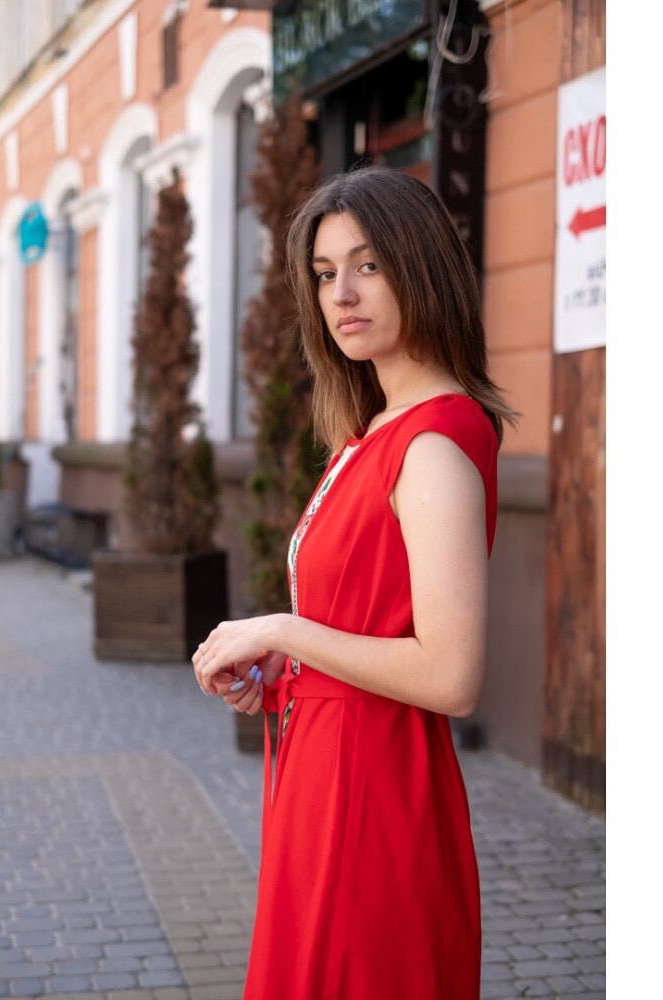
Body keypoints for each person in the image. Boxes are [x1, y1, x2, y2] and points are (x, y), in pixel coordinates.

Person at [192, 166, 520, 999]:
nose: (343, 293)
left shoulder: (434, 443)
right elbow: (367, 622)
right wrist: (281, 675)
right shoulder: (368, 429)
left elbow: (451, 678)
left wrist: (279, 632)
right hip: (325, 775)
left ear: (421, 267)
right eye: (326, 272)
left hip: (375, 800)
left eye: (369, 265)